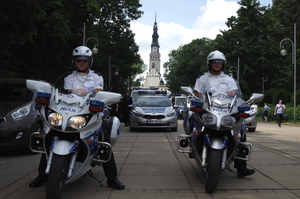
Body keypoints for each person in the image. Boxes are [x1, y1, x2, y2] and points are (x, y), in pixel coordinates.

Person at [29, 46, 125, 190]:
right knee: (50, 135)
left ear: (89, 61)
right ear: (74, 61)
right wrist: (73, 92)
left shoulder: (96, 76)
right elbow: (63, 93)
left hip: (91, 111)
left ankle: (111, 177)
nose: (81, 62)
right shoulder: (68, 77)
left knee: (103, 137)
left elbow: (98, 92)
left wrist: (88, 93)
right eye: (78, 59)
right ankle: (43, 174)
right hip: (69, 111)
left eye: (84, 60)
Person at [194, 50, 255, 178]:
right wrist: (197, 99)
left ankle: (240, 167)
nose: (217, 64)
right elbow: (197, 94)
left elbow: (234, 93)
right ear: (209, 64)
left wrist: (235, 97)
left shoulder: (228, 78)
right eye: (214, 62)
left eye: (219, 62)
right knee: (193, 119)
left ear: (223, 64)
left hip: (226, 110)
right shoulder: (203, 78)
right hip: (209, 109)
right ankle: (193, 143)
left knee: (240, 130)